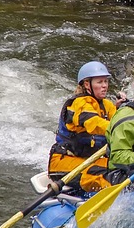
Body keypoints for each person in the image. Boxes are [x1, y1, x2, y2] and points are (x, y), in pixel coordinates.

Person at [48, 60, 118, 194]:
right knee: (106, 176)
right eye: (99, 82)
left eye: (106, 81)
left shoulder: (107, 105)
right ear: (87, 84)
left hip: (88, 160)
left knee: (121, 166)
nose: (104, 86)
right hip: (64, 162)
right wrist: (119, 129)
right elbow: (94, 124)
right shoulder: (79, 104)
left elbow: (120, 120)